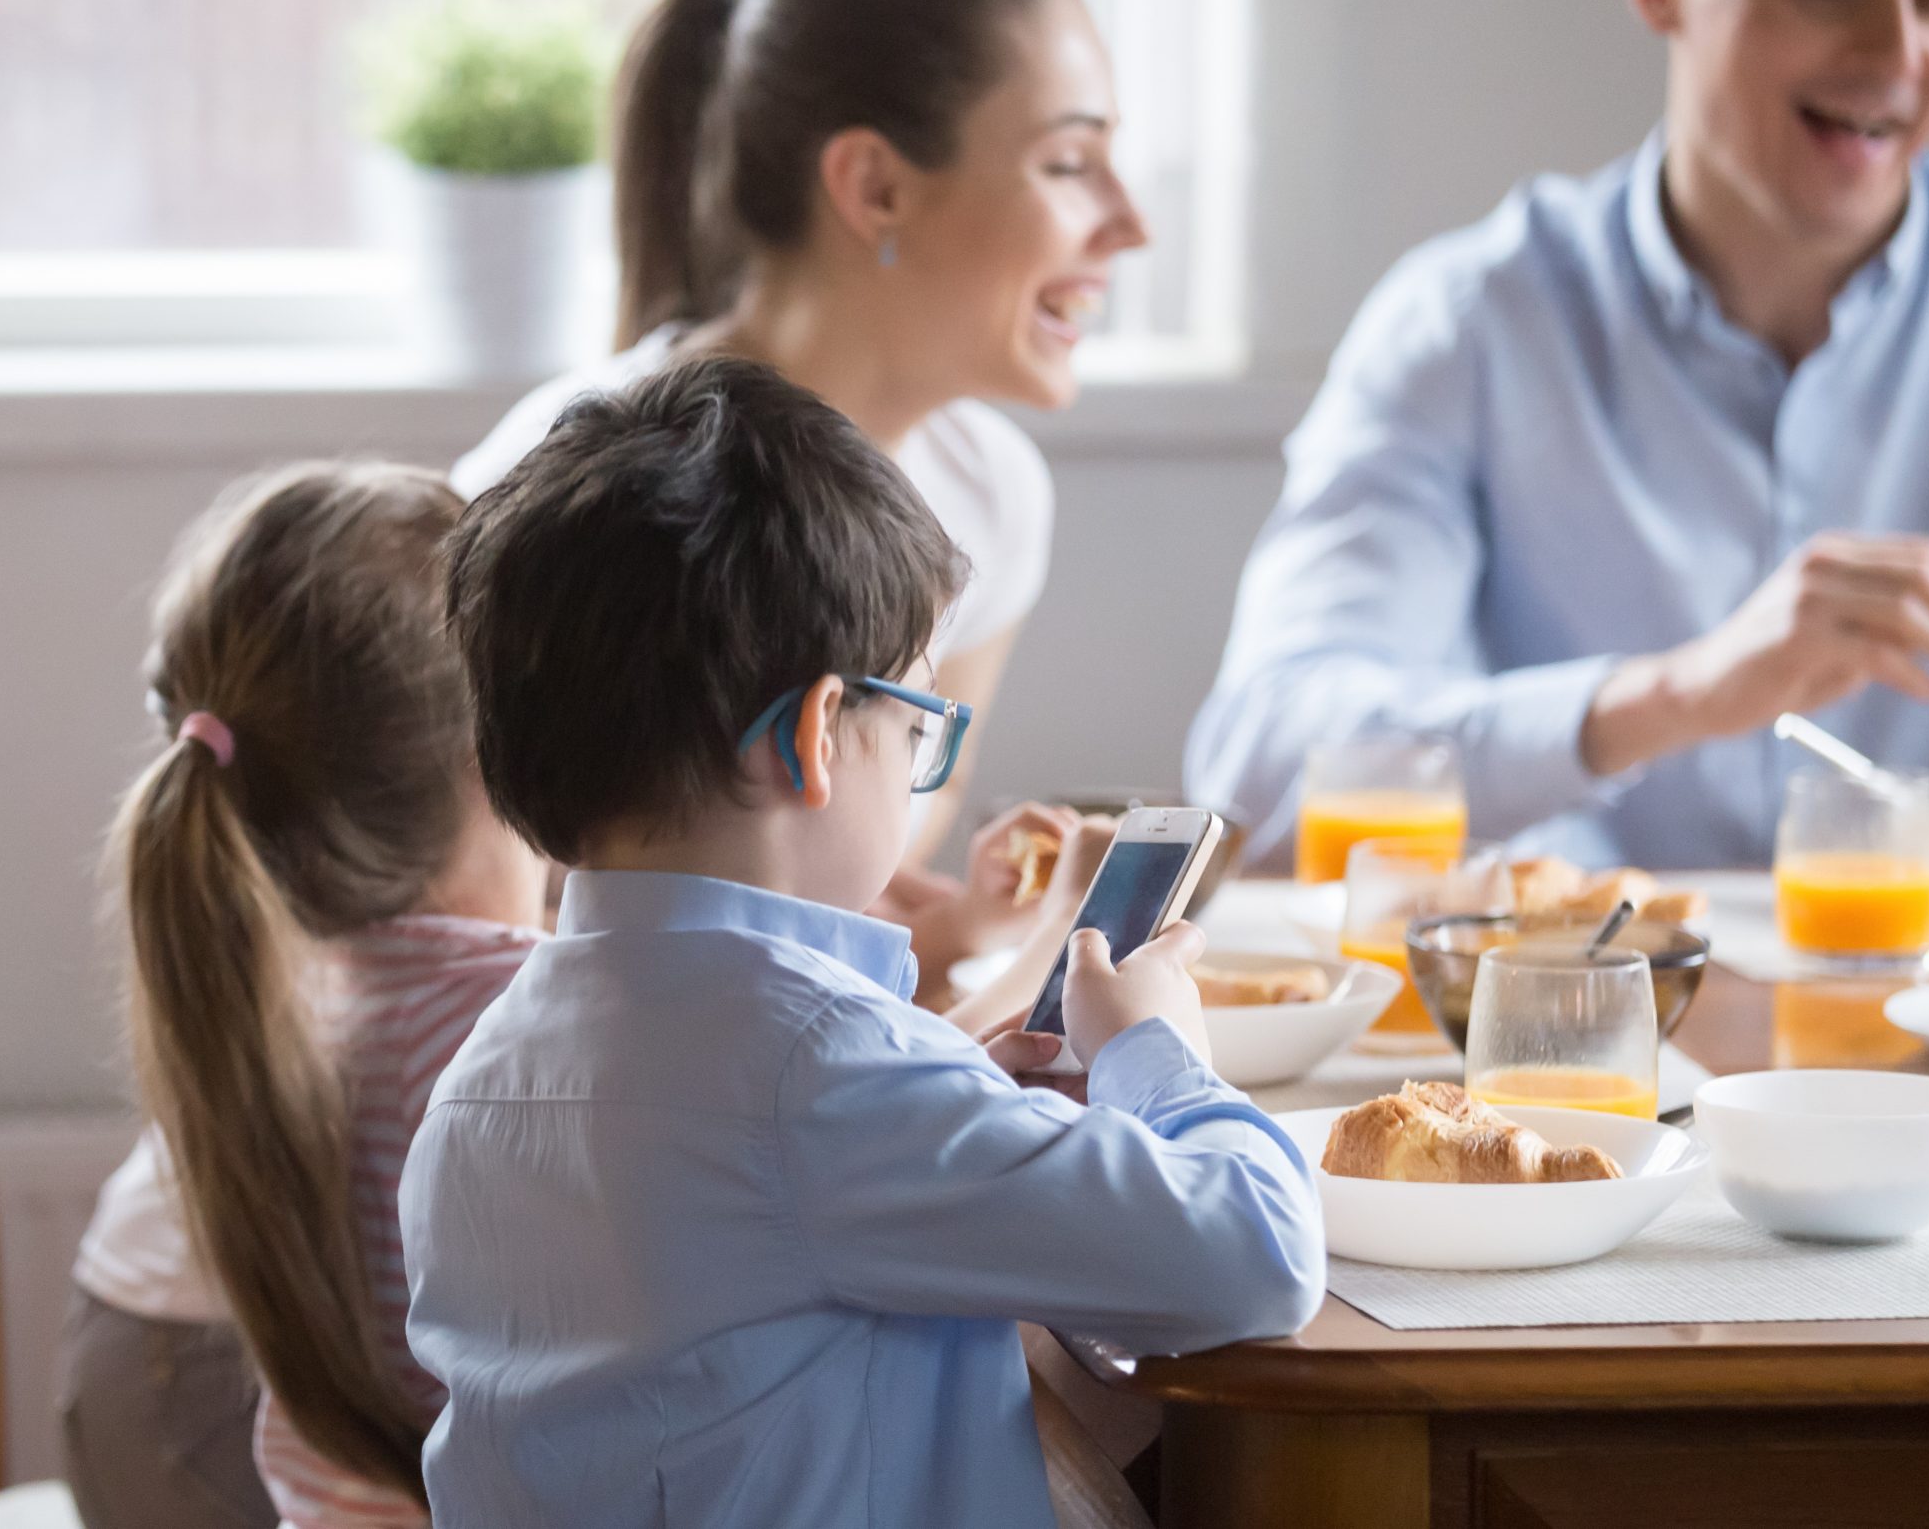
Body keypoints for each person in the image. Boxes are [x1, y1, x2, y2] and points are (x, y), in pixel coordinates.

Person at [406, 356, 1325, 1528]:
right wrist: (1159, 1053)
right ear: (820, 735)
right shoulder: (816, 1069)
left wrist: (953, 1102)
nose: (920, 764)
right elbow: (1252, 1259)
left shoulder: (484, 1080)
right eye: (921, 725)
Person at [1189, 0, 1929, 869]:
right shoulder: (1467, 327)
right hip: (1566, 1019)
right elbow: (1257, 770)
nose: (1898, 54)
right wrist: (1672, 695)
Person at [452, 0, 1149, 979]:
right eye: (1068, 163)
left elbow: (818, 918)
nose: (1130, 222)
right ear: (875, 188)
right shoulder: (563, 494)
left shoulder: (990, 495)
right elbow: (477, 956)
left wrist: (964, 940)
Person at [77, 461, 551, 1528]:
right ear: (498, 752)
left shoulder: (320, 928)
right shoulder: (491, 1023)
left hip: (138, 1370)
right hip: (203, 1414)